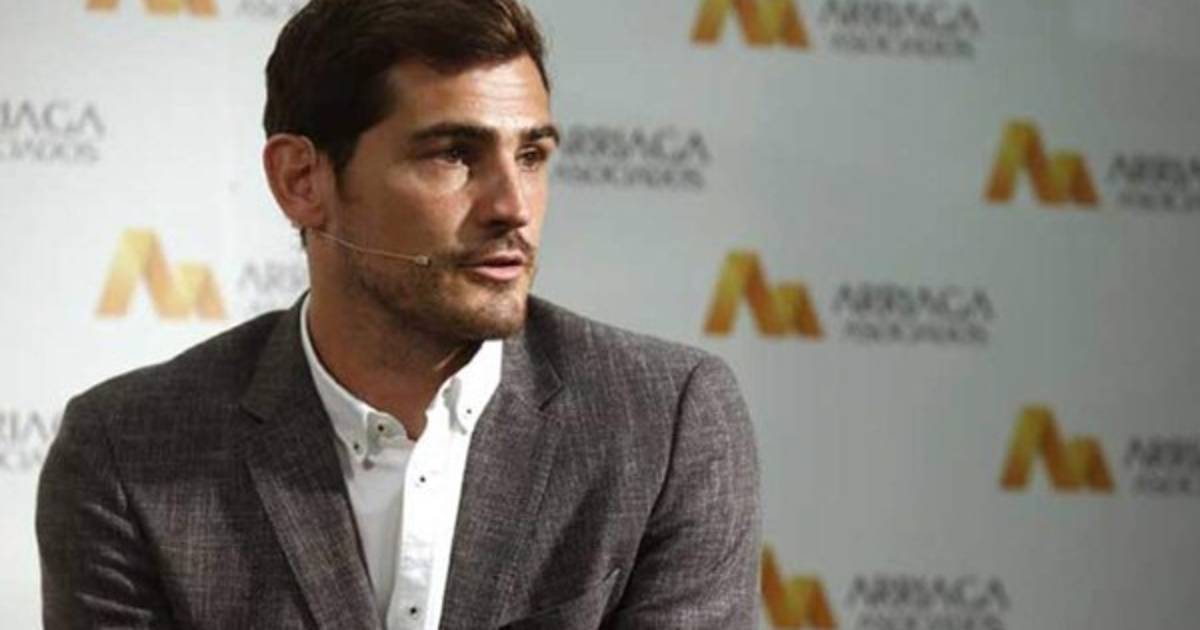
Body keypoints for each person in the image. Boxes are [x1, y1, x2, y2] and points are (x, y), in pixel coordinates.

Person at [36, 0, 760, 628]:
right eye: (454, 154)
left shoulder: (663, 423)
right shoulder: (131, 453)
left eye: (532, 155)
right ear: (301, 180)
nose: (513, 206)